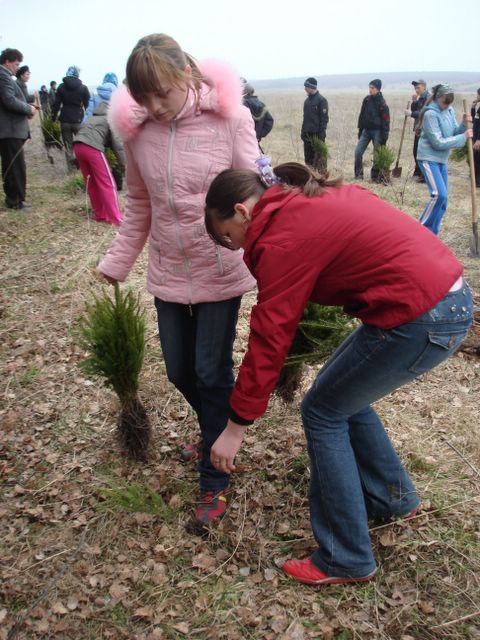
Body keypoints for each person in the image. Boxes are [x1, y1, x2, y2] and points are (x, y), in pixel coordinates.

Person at [204, 160, 473, 586]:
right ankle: (394, 498)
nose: (235, 247)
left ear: (241, 211)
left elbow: (270, 335)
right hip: (440, 300)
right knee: (340, 396)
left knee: (322, 412)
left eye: (227, 237)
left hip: (421, 317)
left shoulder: (283, 236)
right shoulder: (305, 200)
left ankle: (345, 556)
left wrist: (236, 426)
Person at [96, 33, 259, 528]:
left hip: (221, 268)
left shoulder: (231, 118)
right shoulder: (137, 133)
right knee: (179, 372)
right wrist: (117, 261)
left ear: (184, 75)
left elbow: (254, 198)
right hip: (168, 271)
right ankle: (217, 429)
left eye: (161, 93)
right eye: (142, 97)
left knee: (211, 371)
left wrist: (271, 260)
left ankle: (215, 480)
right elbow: (140, 205)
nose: (153, 106)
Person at [416, 84, 471, 235]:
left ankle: (432, 234)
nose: (447, 106)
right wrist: (463, 137)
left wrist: (463, 125)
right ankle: (419, 231)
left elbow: (453, 133)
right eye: (444, 103)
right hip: (428, 158)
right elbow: (438, 142)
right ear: (438, 98)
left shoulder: (449, 110)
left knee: (444, 201)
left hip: (441, 160)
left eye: (449, 103)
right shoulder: (430, 115)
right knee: (439, 195)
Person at [73, 81, 123, 225]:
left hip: (78, 146)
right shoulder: (110, 117)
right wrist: (125, 165)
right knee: (107, 182)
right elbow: (117, 145)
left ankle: (100, 215)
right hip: (92, 147)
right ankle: (116, 217)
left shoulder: (93, 117)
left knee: (92, 183)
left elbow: (82, 131)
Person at [0, 48, 37, 210]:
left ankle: (13, 199)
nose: (17, 68)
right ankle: (16, 201)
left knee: (11, 166)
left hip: (10, 130)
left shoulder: (5, 77)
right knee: (15, 167)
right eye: (16, 64)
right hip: (10, 130)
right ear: (7, 62)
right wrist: (28, 109)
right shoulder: (3, 77)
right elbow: (9, 100)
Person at [51, 66, 90, 171]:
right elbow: (88, 107)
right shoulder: (83, 88)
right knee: (81, 146)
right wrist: (89, 121)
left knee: (68, 146)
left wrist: (53, 119)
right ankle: (82, 167)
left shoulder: (60, 87)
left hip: (65, 121)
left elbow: (56, 105)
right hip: (78, 120)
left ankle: (71, 170)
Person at [354, 79, 390, 182]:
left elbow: (386, 120)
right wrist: (360, 129)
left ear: (378, 89)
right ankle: (358, 175)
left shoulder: (382, 103)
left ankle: (375, 177)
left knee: (377, 155)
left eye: (372, 88)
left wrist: (385, 135)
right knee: (358, 152)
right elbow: (362, 115)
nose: (370, 90)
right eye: (369, 87)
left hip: (377, 131)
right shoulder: (366, 100)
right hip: (366, 130)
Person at [301, 77, 329, 168]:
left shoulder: (321, 100)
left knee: (319, 158)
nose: (305, 88)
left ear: (311, 87)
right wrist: (303, 132)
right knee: (308, 159)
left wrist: (322, 134)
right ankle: (309, 176)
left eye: (306, 86)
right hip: (307, 134)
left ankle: (321, 177)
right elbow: (305, 118)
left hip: (317, 135)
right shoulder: (306, 101)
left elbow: (324, 119)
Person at [407, 79, 430, 181]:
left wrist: (411, 114)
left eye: (418, 87)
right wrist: (414, 101)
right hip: (418, 128)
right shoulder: (421, 98)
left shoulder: (428, 98)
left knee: (422, 152)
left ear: (424, 87)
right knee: (416, 151)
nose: (416, 90)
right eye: (415, 88)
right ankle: (418, 172)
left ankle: (424, 175)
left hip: (424, 129)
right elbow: (415, 110)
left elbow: (423, 113)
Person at [242, 82, 274, 148]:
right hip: (256, 141)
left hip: (244, 141)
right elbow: (269, 122)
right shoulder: (261, 104)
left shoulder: (243, 105)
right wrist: (258, 135)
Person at [471, 88, 480, 188]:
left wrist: (478, 139)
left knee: (477, 160)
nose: (476, 96)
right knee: (475, 159)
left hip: (478, 138)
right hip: (476, 136)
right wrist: (473, 108)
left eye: (477, 95)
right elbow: (475, 121)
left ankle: (478, 181)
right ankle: (476, 180)